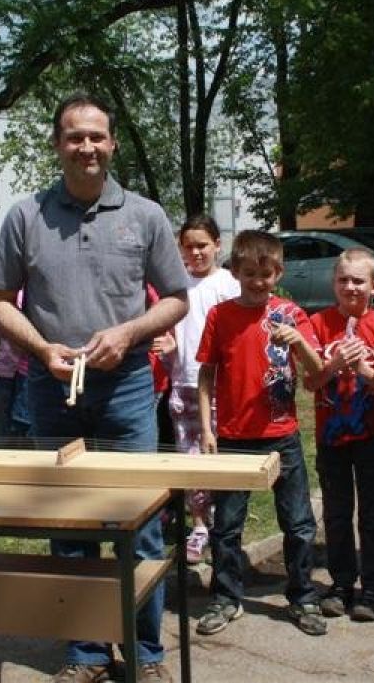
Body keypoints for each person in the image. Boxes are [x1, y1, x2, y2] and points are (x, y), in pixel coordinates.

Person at [0, 93, 189, 683]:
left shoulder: (145, 215)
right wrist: (41, 348)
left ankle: (145, 651)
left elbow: (177, 298)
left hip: (126, 384)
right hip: (52, 387)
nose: (87, 147)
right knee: (70, 521)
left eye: (96, 136)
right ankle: (87, 652)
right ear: (58, 144)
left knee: (139, 518)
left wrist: (128, 333)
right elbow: (0, 300)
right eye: (75, 136)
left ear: (113, 143)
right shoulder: (26, 216)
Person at [194, 230, 327, 638]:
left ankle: (302, 596)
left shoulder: (290, 314)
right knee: (226, 525)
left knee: (299, 523)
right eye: (249, 273)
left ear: (278, 273)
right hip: (233, 437)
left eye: (265, 274)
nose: (257, 282)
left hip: (281, 435)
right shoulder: (220, 316)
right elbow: (206, 374)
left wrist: (299, 341)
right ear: (235, 272)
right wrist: (206, 428)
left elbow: (317, 373)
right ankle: (226, 597)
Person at [303, 249, 374, 622]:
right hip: (331, 435)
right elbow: (310, 382)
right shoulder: (317, 323)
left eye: (358, 281)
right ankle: (341, 583)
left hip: (373, 434)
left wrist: (363, 368)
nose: (350, 287)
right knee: (337, 512)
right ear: (333, 283)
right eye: (343, 280)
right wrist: (336, 363)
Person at [167, 214, 240, 564]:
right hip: (183, 381)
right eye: (188, 246)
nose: (195, 253)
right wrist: (167, 347)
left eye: (202, 245)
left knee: (220, 456)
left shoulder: (229, 284)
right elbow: (169, 329)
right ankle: (198, 526)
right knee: (189, 458)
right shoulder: (175, 284)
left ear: (217, 245)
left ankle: (224, 525)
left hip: (220, 386)